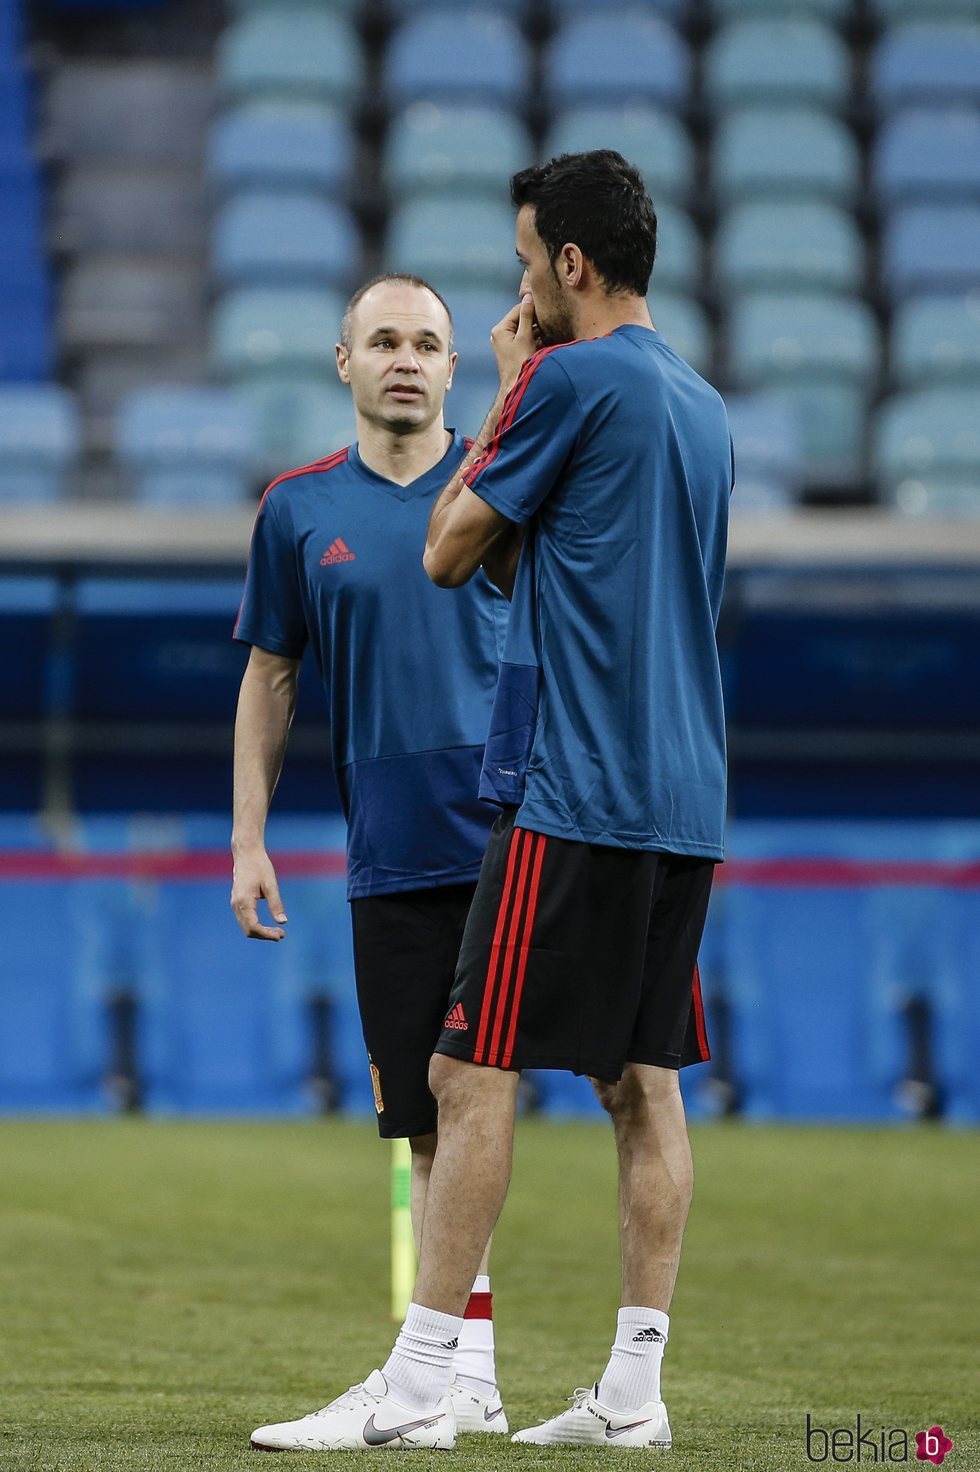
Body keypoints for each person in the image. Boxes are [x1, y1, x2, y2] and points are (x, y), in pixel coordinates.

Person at [273, 149, 733, 1452]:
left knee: (467, 1073)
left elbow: (446, 546)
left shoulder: (570, 377)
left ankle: (423, 1381)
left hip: (570, 792)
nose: (520, 289)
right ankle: (633, 1396)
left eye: (530, 265)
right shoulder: (698, 403)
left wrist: (521, 370)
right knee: (643, 1085)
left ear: (572, 267)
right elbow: (564, 558)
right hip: (685, 801)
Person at [231, 274, 513, 1449]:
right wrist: (248, 836)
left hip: (508, 833)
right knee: (428, 1122)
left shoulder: (503, 491)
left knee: (476, 1093)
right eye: (383, 339)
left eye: (428, 343)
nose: (406, 357)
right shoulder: (296, 510)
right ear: (340, 360)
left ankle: (432, 1377)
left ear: (456, 369)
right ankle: (469, 1380)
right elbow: (270, 675)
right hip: (383, 844)